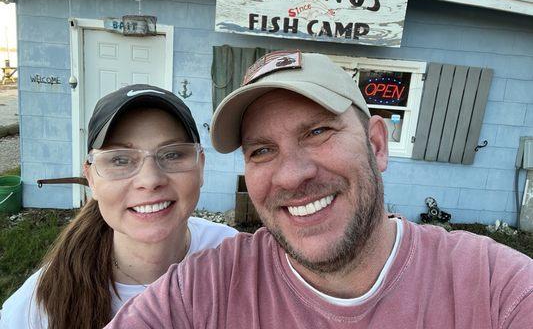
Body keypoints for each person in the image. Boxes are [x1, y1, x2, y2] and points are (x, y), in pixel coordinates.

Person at [106, 52, 533, 328]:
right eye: (262, 150)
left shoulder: (493, 288)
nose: (290, 176)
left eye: (317, 131)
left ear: (377, 145)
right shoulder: (206, 289)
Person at [0, 84, 237, 329]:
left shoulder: (234, 257)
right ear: (91, 178)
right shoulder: (36, 309)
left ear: (201, 167)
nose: (150, 180)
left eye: (173, 154)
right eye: (120, 160)